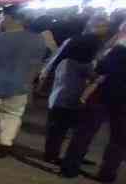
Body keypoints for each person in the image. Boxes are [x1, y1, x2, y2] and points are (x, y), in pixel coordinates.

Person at [0, 10, 48, 158]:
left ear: (11, 18)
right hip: (21, 85)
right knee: (12, 115)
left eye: (1, 18)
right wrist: (29, 81)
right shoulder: (38, 40)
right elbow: (38, 64)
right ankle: (6, 142)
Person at [40, 18, 110, 164]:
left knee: (58, 130)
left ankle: (52, 154)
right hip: (69, 100)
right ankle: (53, 156)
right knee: (61, 129)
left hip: (60, 98)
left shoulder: (66, 60)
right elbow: (96, 77)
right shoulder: (82, 65)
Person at [61, 33, 126, 183]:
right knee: (119, 139)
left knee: (85, 132)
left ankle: (70, 167)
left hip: (104, 95)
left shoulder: (118, 51)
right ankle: (107, 174)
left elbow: (101, 69)